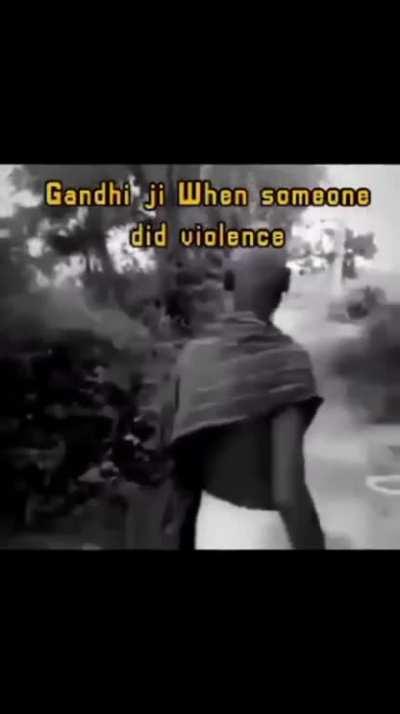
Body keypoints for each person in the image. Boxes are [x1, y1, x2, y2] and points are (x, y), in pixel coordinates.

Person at [170, 247, 325, 550]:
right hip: (266, 534)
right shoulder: (288, 361)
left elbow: (181, 465)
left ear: (229, 281)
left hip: (210, 526)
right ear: (284, 284)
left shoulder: (194, 356)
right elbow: (288, 494)